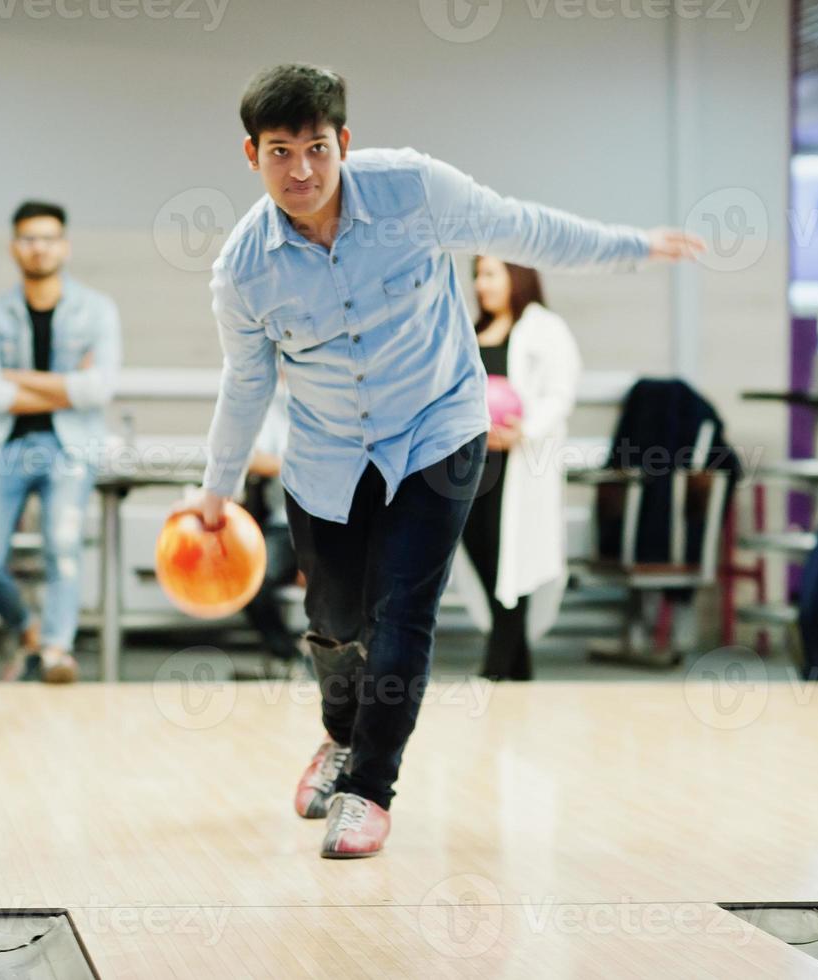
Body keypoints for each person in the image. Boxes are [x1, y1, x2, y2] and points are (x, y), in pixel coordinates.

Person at [172, 63, 704, 858]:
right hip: (324, 454)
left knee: (403, 615)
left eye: (317, 147)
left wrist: (634, 246)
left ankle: (370, 788)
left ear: (343, 142)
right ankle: (342, 737)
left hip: (437, 430)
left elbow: (522, 228)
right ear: (251, 155)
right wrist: (216, 491)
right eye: (279, 152)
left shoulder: (412, 189)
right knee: (333, 623)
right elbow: (246, 381)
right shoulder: (243, 269)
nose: (302, 171)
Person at [0, 200, 122, 684]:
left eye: (49, 238)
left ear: (65, 245)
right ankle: (28, 629)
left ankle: (57, 649)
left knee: (64, 547)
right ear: (15, 246)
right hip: (4, 447)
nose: (40, 248)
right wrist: (62, 386)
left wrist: (18, 379)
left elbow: (97, 389)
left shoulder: (96, 309)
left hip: (70, 449)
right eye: (30, 238)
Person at [460, 260, 581, 681]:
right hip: (472, 467)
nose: (481, 284)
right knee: (485, 557)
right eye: (478, 275)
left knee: (512, 561)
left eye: (491, 274)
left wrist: (523, 431)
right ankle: (519, 667)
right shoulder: (471, 332)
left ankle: (496, 669)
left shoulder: (544, 329)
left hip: (518, 465)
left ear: (517, 275)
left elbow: (560, 394)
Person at [237, 369, 302, 673]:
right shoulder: (274, 410)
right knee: (251, 581)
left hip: (335, 526)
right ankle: (288, 653)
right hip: (284, 527)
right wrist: (298, 465)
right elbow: (252, 457)